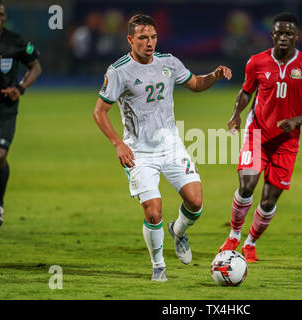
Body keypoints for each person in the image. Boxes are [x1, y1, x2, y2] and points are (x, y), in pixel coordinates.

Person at [93, 14, 231, 281]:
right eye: (143, 38)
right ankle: (159, 266)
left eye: (153, 37)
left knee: (196, 202)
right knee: (153, 211)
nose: (149, 43)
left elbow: (195, 84)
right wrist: (118, 144)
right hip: (139, 153)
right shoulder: (119, 71)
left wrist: (213, 75)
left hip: (171, 147)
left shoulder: (168, 62)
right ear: (130, 39)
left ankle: (178, 231)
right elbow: (100, 112)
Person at [218, 13, 302, 262]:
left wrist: (296, 121)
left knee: (268, 200)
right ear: (272, 35)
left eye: (289, 34)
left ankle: (250, 242)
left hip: (287, 142)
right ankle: (233, 235)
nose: (284, 38)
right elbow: (246, 92)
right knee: (246, 185)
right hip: (257, 133)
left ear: (296, 36)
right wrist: (236, 113)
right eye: (279, 33)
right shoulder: (256, 62)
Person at [0, 0, 42, 233]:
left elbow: (35, 66)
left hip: (5, 108)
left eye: (0, 14)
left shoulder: (16, 42)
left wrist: (21, 88)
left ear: (5, 17)